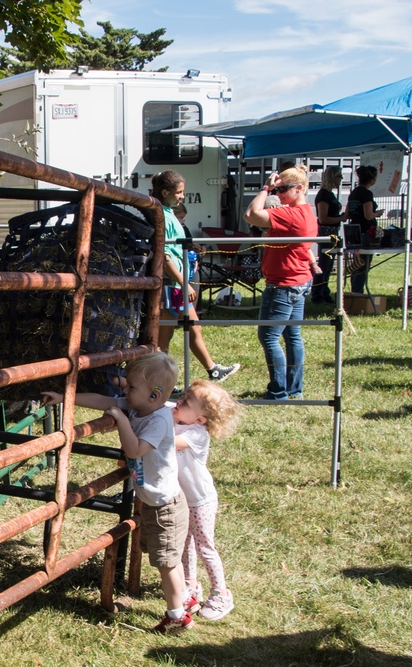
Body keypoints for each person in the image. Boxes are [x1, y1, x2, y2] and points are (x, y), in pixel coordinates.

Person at [46, 352, 196, 633]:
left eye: (131, 388)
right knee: (164, 560)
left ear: (154, 395)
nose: (124, 391)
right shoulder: (139, 406)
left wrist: (119, 419)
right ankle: (186, 599)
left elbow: (135, 449)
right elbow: (104, 401)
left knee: (167, 563)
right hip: (155, 502)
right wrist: (65, 397)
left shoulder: (159, 421)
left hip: (166, 506)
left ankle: (178, 616)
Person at [152, 171, 240, 384]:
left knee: (194, 326)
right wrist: (184, 283)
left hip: (177, 283)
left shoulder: (169, 213)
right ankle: (159, 384)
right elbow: (164, 255)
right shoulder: (161, 215)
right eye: (179, 192)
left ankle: (213, 370)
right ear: (166, 192)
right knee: (163, 339)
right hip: (171, 284)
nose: (182, 196)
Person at [244, 164, 317, 400]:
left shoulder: (292, 215)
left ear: (298, 188)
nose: (279, 194)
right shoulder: (307, 212)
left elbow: (251, 215)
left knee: (268, 336)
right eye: (276, 189)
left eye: (283, 189)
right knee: (292, 336)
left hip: (283, 285)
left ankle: (278, 391)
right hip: (298, 281)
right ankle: (294, 388)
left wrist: (265, 187)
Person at [173, 380, 240, 622]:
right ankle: (190, 584)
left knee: (204, 546)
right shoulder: (180, 420)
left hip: (201, 500)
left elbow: (166, 442)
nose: (178, 402)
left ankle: (221, 593)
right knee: (185, 542)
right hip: (182, 497)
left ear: (201, 419)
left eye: (186, 402)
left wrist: (157, 421)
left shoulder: (196, 434)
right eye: (181, 397)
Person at [311, 166, 349, 303]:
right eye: (339, 176)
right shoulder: (323, 195)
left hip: (333, 232)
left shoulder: (330, 194)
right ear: (332, 177)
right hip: (326, 233)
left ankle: (324, 291)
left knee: (328, 265)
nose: (341, 179)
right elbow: (323, 219)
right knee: (324, 264)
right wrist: (341, 218)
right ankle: (317, 293)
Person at [346, 165, 384, 294]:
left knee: (357, 264)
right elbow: (368, 215)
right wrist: (377, 213)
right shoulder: (367, 194)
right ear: (372, 179)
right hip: (365, 233)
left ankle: (355, 290)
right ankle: (358, 292)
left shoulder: (354, 193)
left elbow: (348, 213)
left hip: (353, 231)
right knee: (363, 264)